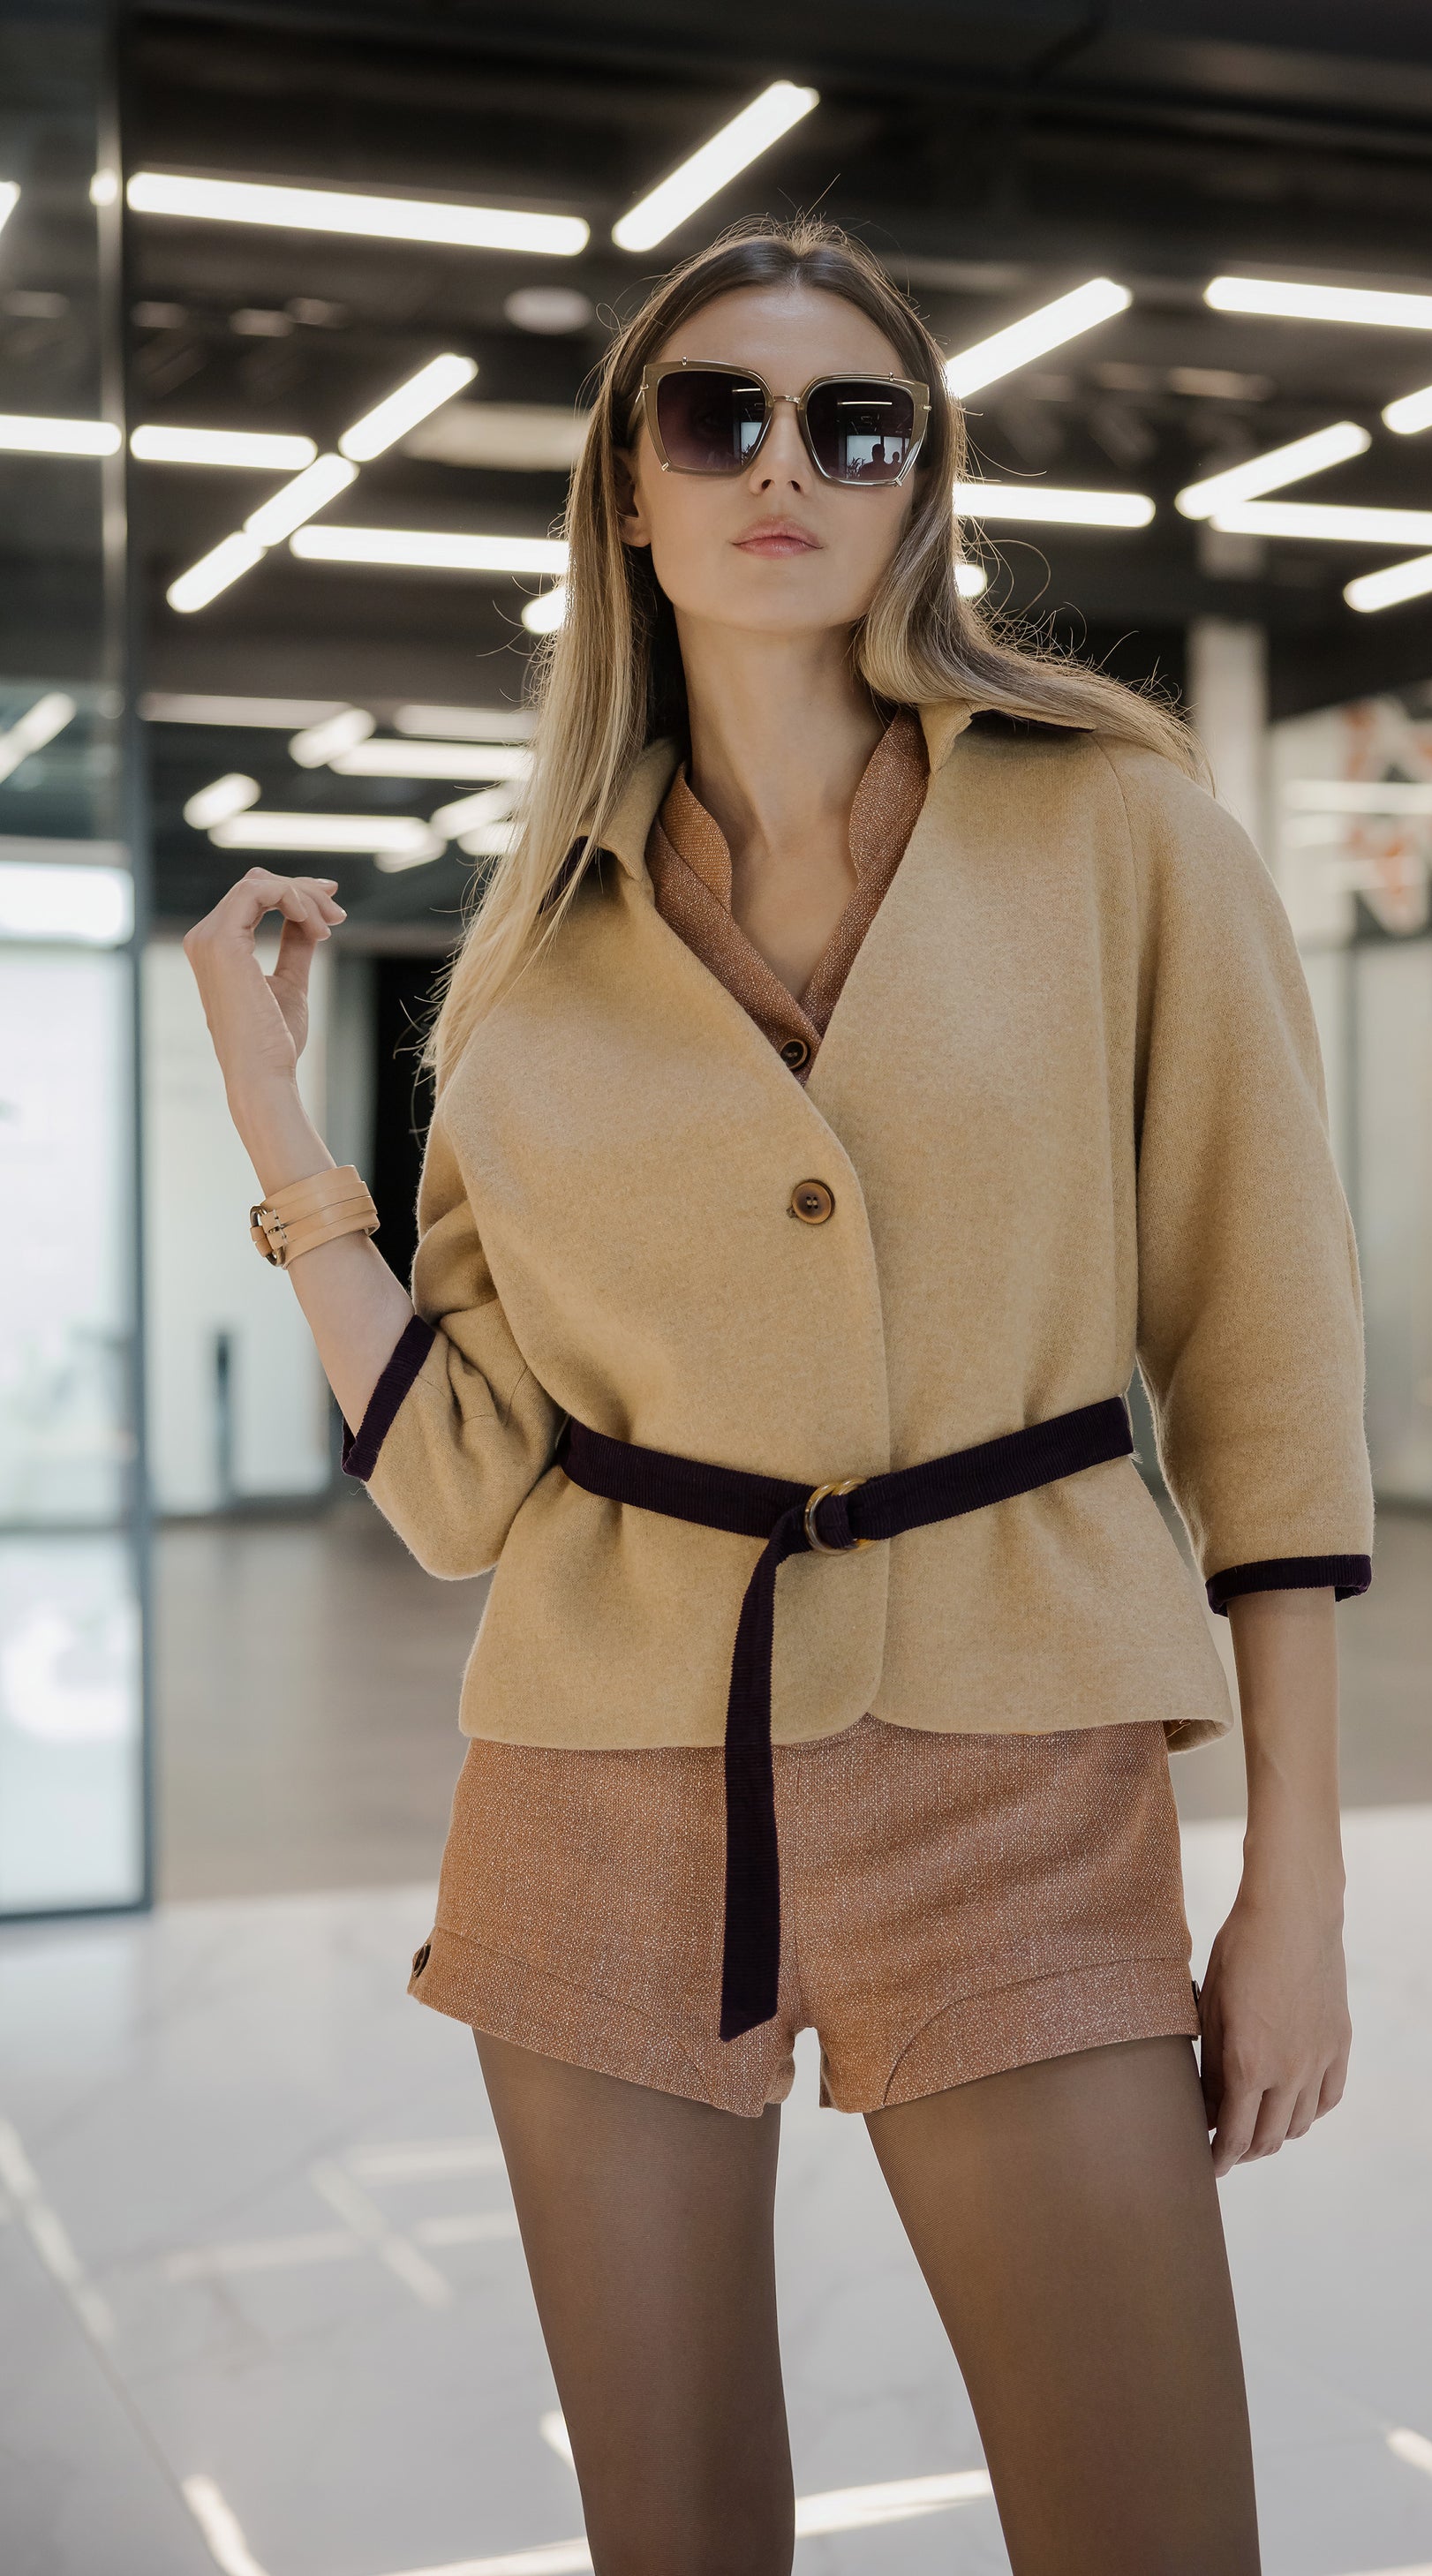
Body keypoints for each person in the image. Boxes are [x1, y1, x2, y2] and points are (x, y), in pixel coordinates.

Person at [185, 216, 1372, 2576]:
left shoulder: (1116, 823)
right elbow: (462, 1490)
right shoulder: (528, 950)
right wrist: (280, 1131)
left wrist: (1299, 1884)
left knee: (1150, 2532)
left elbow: (1264, 1352)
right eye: (717, 413)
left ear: (920, 486)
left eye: (858, 425)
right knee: (672, 2534)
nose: (784, 467)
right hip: (597, 1790)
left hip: (1017, 1764)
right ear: (625, 488)